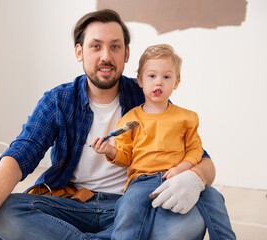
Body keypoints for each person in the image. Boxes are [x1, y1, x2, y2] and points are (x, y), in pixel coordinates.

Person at [0, 9, 234, 240]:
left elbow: (202, 159)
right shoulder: (59, 100)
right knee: (3, 212)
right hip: (71, 204)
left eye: (115, 46)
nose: (105, 56)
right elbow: (21, 154)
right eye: (95, 46)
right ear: (79, 52)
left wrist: (196, 177)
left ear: (126, 54)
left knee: (190, 222)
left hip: (135, 205)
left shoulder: (147, 94)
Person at [91, 44, 235, 239]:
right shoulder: (130, 120)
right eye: (152, 76)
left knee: (214, 196)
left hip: (180, 179)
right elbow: (125, 158)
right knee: (127, 207)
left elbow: (195, 150)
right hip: (142, 182)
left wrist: (183, 169)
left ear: (176, 82)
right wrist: (109, 150)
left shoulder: (186, 118)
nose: (158, 82)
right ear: (140, 81)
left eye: (166, 77)